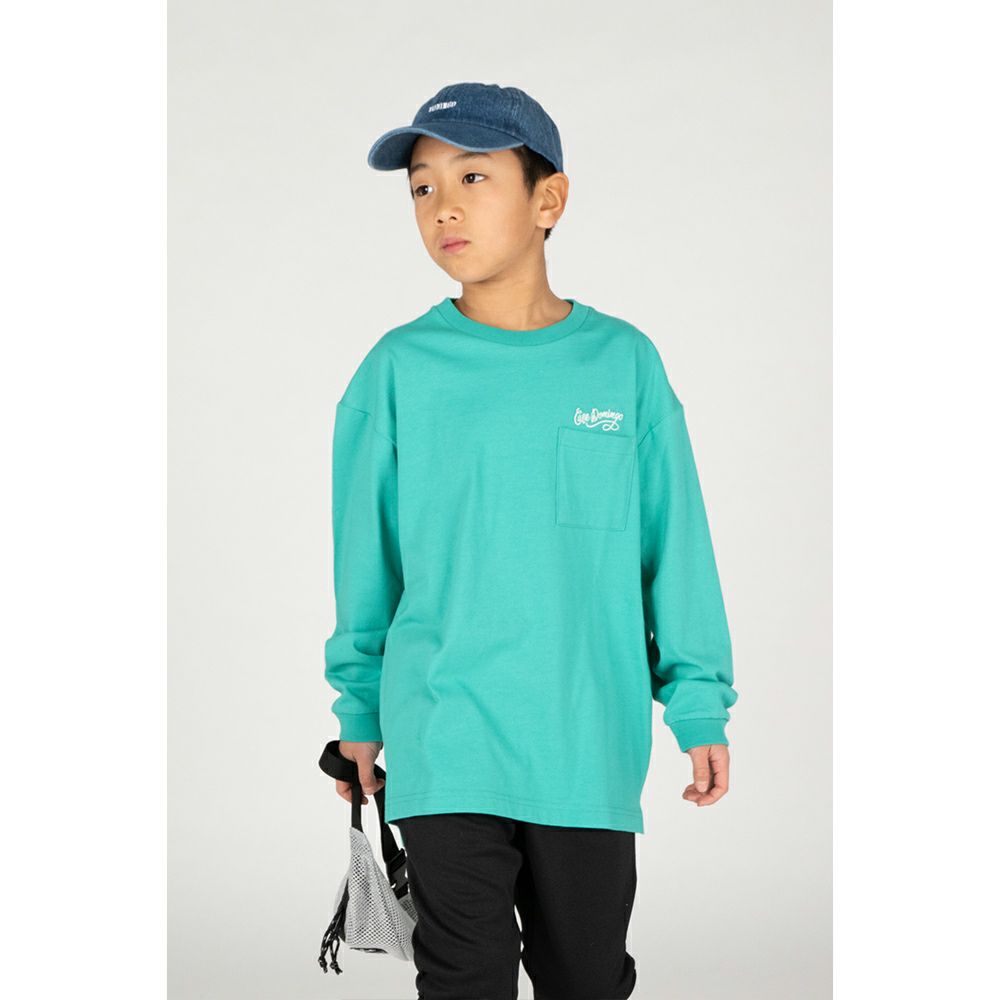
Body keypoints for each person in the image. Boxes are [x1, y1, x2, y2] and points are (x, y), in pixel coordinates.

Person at [323, 81, 738, 1000]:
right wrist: (358, 713)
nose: (444, 206)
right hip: (446, 733)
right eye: (422, 188)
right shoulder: (396, 371)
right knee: (464, 977)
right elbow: (366, 563)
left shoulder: (623, 363)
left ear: (548, 199)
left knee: (584, 976)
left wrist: (698, 701)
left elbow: (675, 545)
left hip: (586, 740)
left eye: (472, 177)